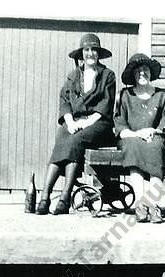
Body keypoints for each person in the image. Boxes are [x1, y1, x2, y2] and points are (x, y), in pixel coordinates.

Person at [36, 34, 116, 215]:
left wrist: (86, 123)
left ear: (99, 53)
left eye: (94, 50)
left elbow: (106, 104)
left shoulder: (107, 75)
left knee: (75, 140)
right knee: (62, 136)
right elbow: (65, 101)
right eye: (86, 50)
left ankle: (65, 198)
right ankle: (45, 197)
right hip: (75, 121)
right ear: (81, 53)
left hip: (99, 123)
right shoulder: (73, 76)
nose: (90, 54)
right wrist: (70, 121)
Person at [114, 53, 165, 223]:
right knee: (132, 146)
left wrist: (153, 131)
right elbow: (120, 125)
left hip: (154, 137)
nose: (142, 74)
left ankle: (153, 205)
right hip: (131, 137)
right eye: (138, 71)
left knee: (156, 147)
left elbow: (164, 125)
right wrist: (137, 134)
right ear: (133, 75)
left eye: (145, 70)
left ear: (151, 72)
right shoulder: (124, 96)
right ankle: (140, 204)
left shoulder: (163, 96)